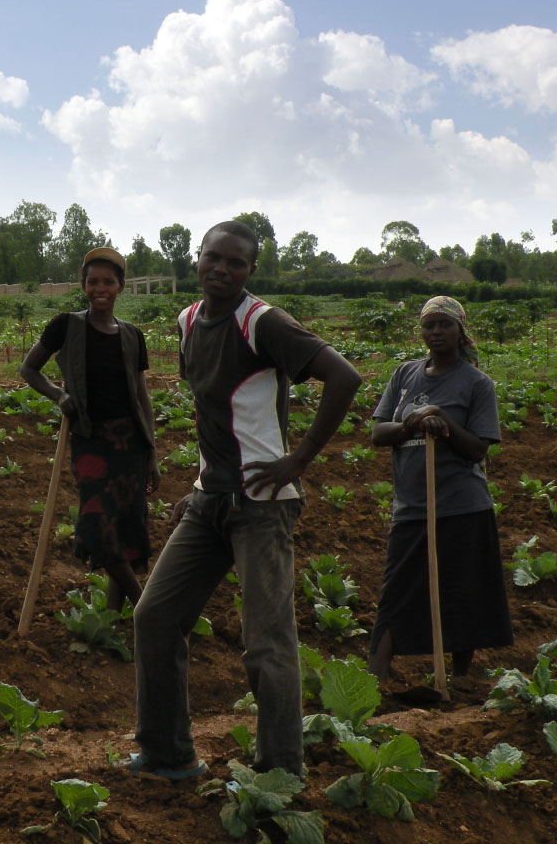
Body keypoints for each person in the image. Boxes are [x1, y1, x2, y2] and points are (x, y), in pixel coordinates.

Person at [130, 221, 361, 779]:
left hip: (263, 504)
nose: (221, 270)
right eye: (213, 258)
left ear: (250, 270)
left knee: (267, 644)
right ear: (198, 259)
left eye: (235, 263)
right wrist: (199, 485)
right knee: (155, 616)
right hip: (211, 498)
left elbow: (344, 377)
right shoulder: (188, 321)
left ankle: (280, 772)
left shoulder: (263, 321)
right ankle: (168, 754)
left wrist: (299, 459)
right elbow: (213, 416)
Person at [367, 295, 512, 686]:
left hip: (462, 506)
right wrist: (412, 425)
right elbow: (379, 433)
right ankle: (373, 681)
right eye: (429, 325)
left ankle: (459, 680)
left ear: (460, 330)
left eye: (444, 325)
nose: (436, 332)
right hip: (412, 506)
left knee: (462, 592)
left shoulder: (477, 383)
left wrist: (443, 421)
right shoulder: (404, 375)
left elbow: (477, 449)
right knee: (395, 592)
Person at [19, 247, 160, 609]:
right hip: (90, 441)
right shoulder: (67, 325)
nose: (101, 288)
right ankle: (145, 610)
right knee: (97, 526)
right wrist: (57, 394)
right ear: (83, 285)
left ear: (120, 286)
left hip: (130, 443)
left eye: (108, 282)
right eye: (93, 281)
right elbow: (29, 369)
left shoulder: (132, 336)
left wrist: (152, 452)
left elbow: (142, 397)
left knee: (127, 525)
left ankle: (115, 617)